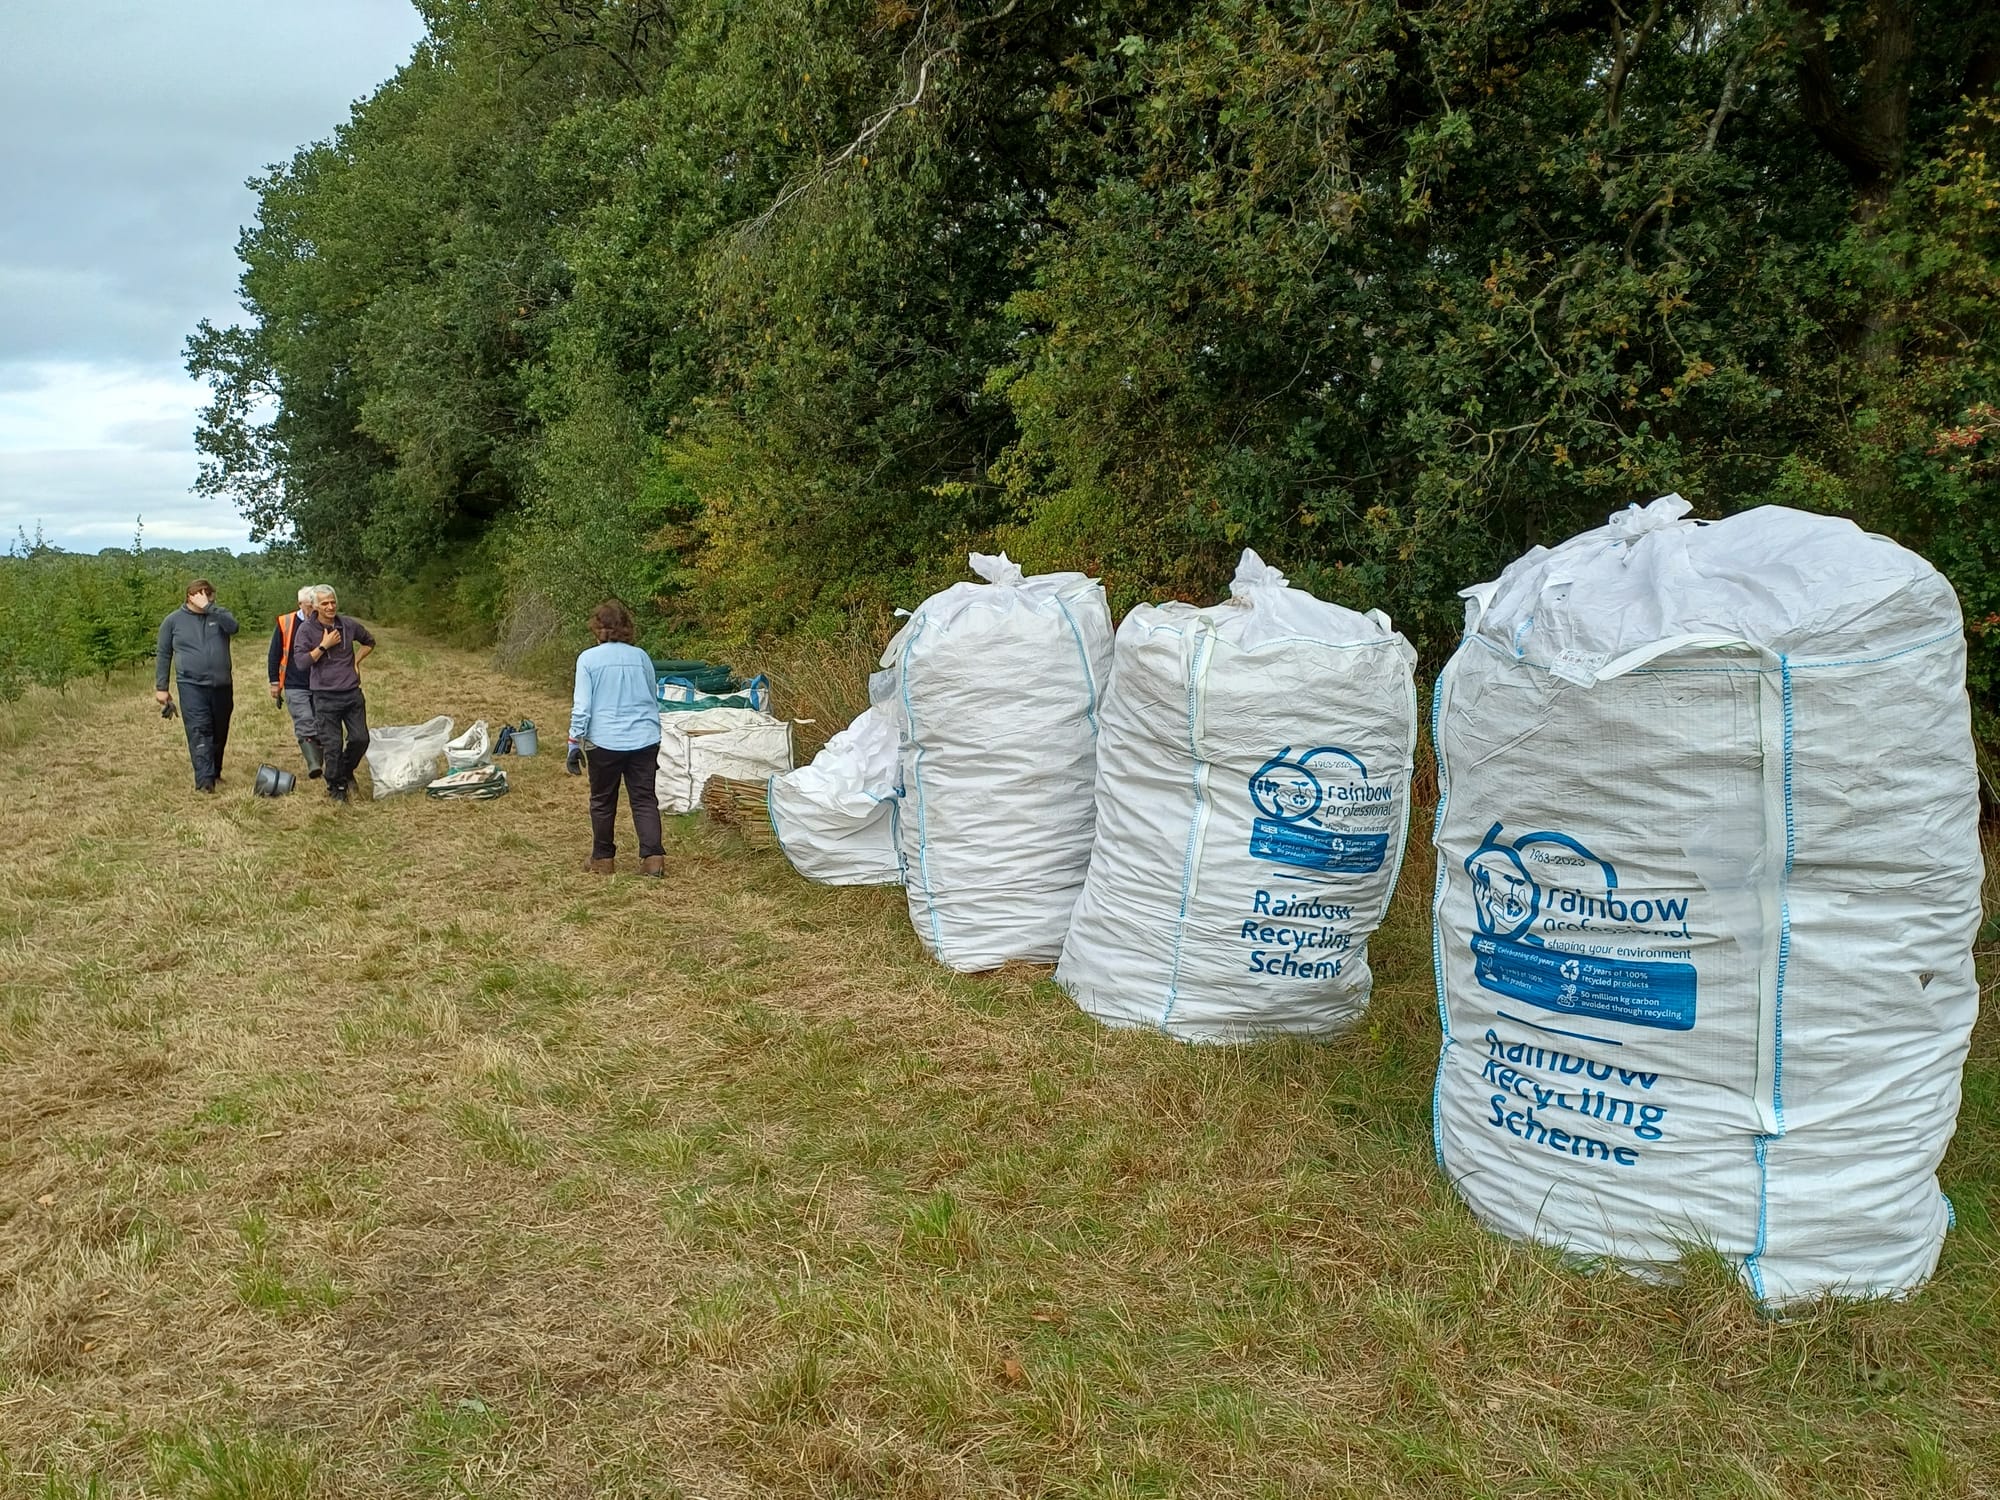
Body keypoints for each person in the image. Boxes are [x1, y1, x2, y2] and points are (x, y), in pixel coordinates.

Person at [568, 600, 664, 876]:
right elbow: (651, 697)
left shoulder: (588, 659)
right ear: (626, 628)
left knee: (602, 800)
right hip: (644, 738)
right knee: (644, 798)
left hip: (604, 740)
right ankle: (653, 859)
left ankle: (602, 859)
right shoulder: (642, 657)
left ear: (597, 628)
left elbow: (582, 706)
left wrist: (574, 741)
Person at [292, 585, 376, 804]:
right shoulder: (306, 630)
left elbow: (369, 641)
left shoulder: (348, 624)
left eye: (332, 602)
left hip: (351, 692)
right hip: (325, 695)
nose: (330, 607)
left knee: (360, 739)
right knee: (333, 745)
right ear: (315, 606)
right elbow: (301, 662)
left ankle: (345, 771)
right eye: (325, 603)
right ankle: (336, 786)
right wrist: (323, 646)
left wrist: (356, 661)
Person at [154, 578, 239, 792]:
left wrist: (210, 609)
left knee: (220, 731)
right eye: (201, 595)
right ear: (190, 597)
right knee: (199, 730)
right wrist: (161, 687)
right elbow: (164, 654)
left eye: (209, 595)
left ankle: (215, 771)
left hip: (222, 685)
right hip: (191, 684)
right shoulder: (173, 621)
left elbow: (234, 627)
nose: (206, 599)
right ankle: (204, 781)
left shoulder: (220, 615)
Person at [267, 585, 324, 779]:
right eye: (309, 606)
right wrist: (274, 682)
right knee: (304, 721)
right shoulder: (286, 622)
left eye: (315, 606)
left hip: (321, 683)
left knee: (322, 722)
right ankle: (313, 764)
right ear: (300, 604)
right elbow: (274, 653)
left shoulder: (323, 621)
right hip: (294, 683)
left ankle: (322, 759)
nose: (313, 610)